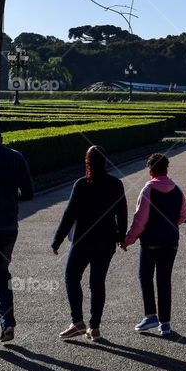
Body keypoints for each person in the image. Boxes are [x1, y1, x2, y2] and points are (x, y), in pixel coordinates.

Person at [52, 146, 127, 341]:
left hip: (83, 240)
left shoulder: (82, 184)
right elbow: (122, 212)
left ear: (87, 162)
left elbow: (70, 214)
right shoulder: (116, 184)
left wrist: (58, 239)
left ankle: (77, 321)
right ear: (105, 162)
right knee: (97, 282)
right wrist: (121, 237)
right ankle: (94, 327)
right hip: (106, 240)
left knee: (71, 277)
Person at [125, 153, 186, 338]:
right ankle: (165, 324)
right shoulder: (177, 190)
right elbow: (183, 215)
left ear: (151, 170)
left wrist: (129, 239)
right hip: (171, 241)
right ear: (166, 169)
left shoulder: (148, 190)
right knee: (164, 280)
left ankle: (150, 315)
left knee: (145, 276)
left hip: (151, 241)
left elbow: (140, 220)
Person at [0, 143, 35, 345]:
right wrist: (11, 198)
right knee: (2, 274)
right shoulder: (16, 157)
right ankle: (7, 322)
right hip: (9, 226)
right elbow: (28, 193)